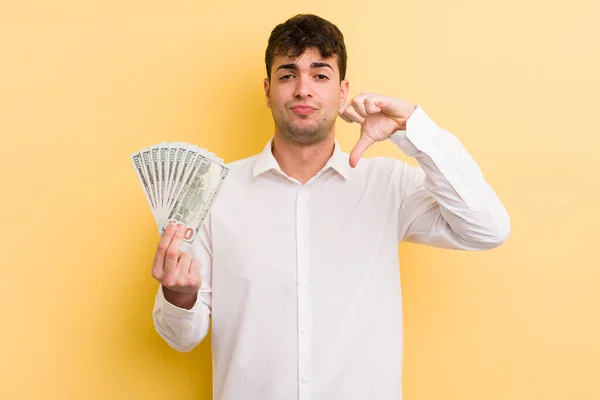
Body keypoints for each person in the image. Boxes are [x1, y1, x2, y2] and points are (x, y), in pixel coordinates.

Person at [150, 13, 510, 400]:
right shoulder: (212, 192)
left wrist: (413, 128)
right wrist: (179, 297)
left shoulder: (387, 185)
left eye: (320, 75)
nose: (304, 89)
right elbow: (180, 339)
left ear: (342, 92)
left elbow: (487, 229)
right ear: (268, 90)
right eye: (289, 74)